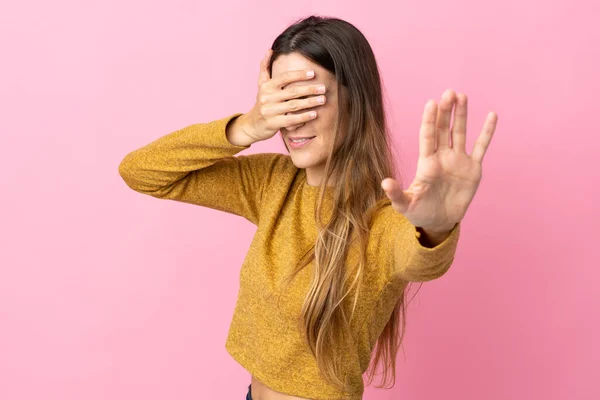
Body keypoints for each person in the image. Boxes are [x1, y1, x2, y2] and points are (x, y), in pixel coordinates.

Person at [118, 15, 497, 400]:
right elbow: (141, 172)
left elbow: (420, 260)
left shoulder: (383, 221)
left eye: (307, 97)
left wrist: (435, 227)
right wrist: (247, 126)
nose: (292, 120)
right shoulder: (272, 183)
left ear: (355, 99)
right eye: (282, 100)